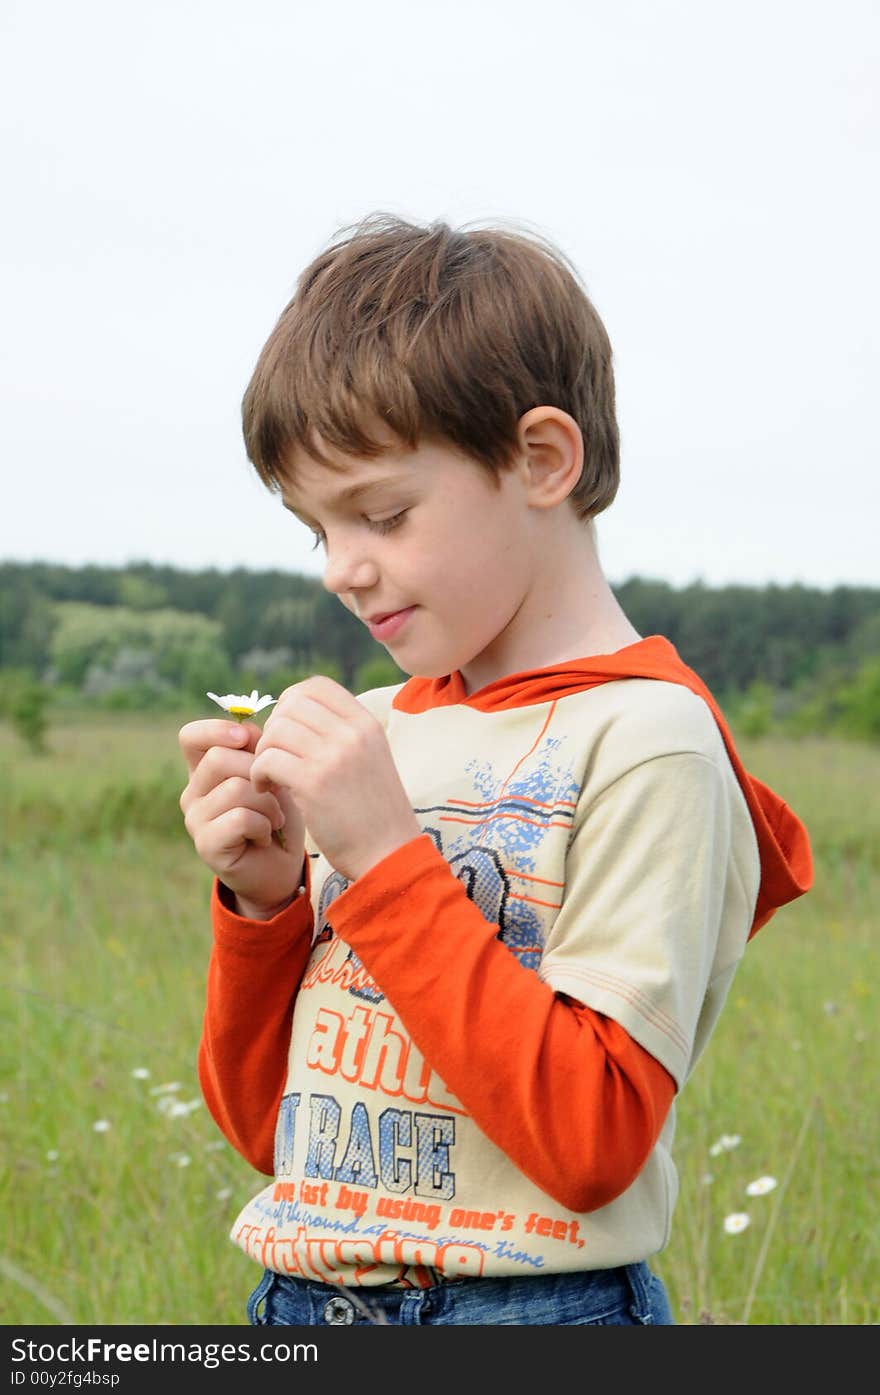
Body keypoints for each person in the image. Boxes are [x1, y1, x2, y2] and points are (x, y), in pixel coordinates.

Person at [177, 214, 813, 1327]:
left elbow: (589, 1144)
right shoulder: (379, 730)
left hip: (527, 1310)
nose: (340, 569)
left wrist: (380, 855)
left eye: (380, 513)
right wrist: (264, 902)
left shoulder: (647, 739)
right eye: (313, 529)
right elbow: (268, 1134)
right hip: (297, 1302)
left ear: (539, 460)